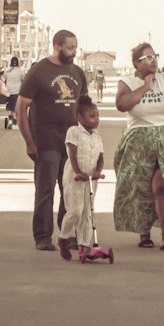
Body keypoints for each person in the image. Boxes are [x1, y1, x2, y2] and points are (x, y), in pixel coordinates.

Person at [113, 43, 164, 252]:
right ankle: (144, 233)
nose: (153, 60)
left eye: (154, 56)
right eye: (147, 57)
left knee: (163, 186)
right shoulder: (128, 82)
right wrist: (145, 87)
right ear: (136, 63)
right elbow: (122, 105)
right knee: (140, 189)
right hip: (138, 144)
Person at [16, 30, 88, 250]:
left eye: (75, 47)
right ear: (57, 47)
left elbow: (83, 105)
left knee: (70, 189)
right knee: (45, 189)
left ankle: (67, 234)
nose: (74, 52)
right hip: (46, 140)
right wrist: (29, 142)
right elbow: (21, 108)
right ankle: (43, 236)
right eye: (70, 48)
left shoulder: (77, 72)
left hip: (72, 141)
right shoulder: (39, 71)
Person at [58, 96, 105, 259]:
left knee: (88, 212)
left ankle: (84, 245)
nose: (96, 119)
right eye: (92, 116)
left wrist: (97, 172)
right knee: (75, 210)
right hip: (74, 178)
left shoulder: (97, 137)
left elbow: (101, 157)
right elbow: (71, 153)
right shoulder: (74, 132)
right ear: (80, 117)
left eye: (98, 115)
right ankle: (64, 238)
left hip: (91, 180)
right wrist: (78, 171)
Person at [3, 56, 24, 130]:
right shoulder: (20, 70)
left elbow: (3, 79)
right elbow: (23, 79)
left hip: (8, 90)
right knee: (15, 106)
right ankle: (14, 122)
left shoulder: (7, 70)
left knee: (9, 105)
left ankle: (10, 120)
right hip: (17, 90)